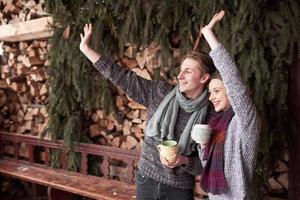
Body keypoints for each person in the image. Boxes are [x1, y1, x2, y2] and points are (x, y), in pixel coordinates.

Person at [79, 24, 216, 199]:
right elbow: (122, 76)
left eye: (188, 72)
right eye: (181, 70)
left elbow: (207, 163)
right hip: (146, 181)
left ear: (204, 78)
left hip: (179, 189)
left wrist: (183, 161)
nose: (180, 76)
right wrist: (86, 49)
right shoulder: (160, 92)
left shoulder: (211, 114)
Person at [196, 11, 261, 199]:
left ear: (231, 92)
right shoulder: (217, 125)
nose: (211, 97)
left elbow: (232, 80)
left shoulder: (246, 122)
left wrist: (208, 34)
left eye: (217, 91)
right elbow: (207, 164)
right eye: (210, 93)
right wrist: (202, 145)